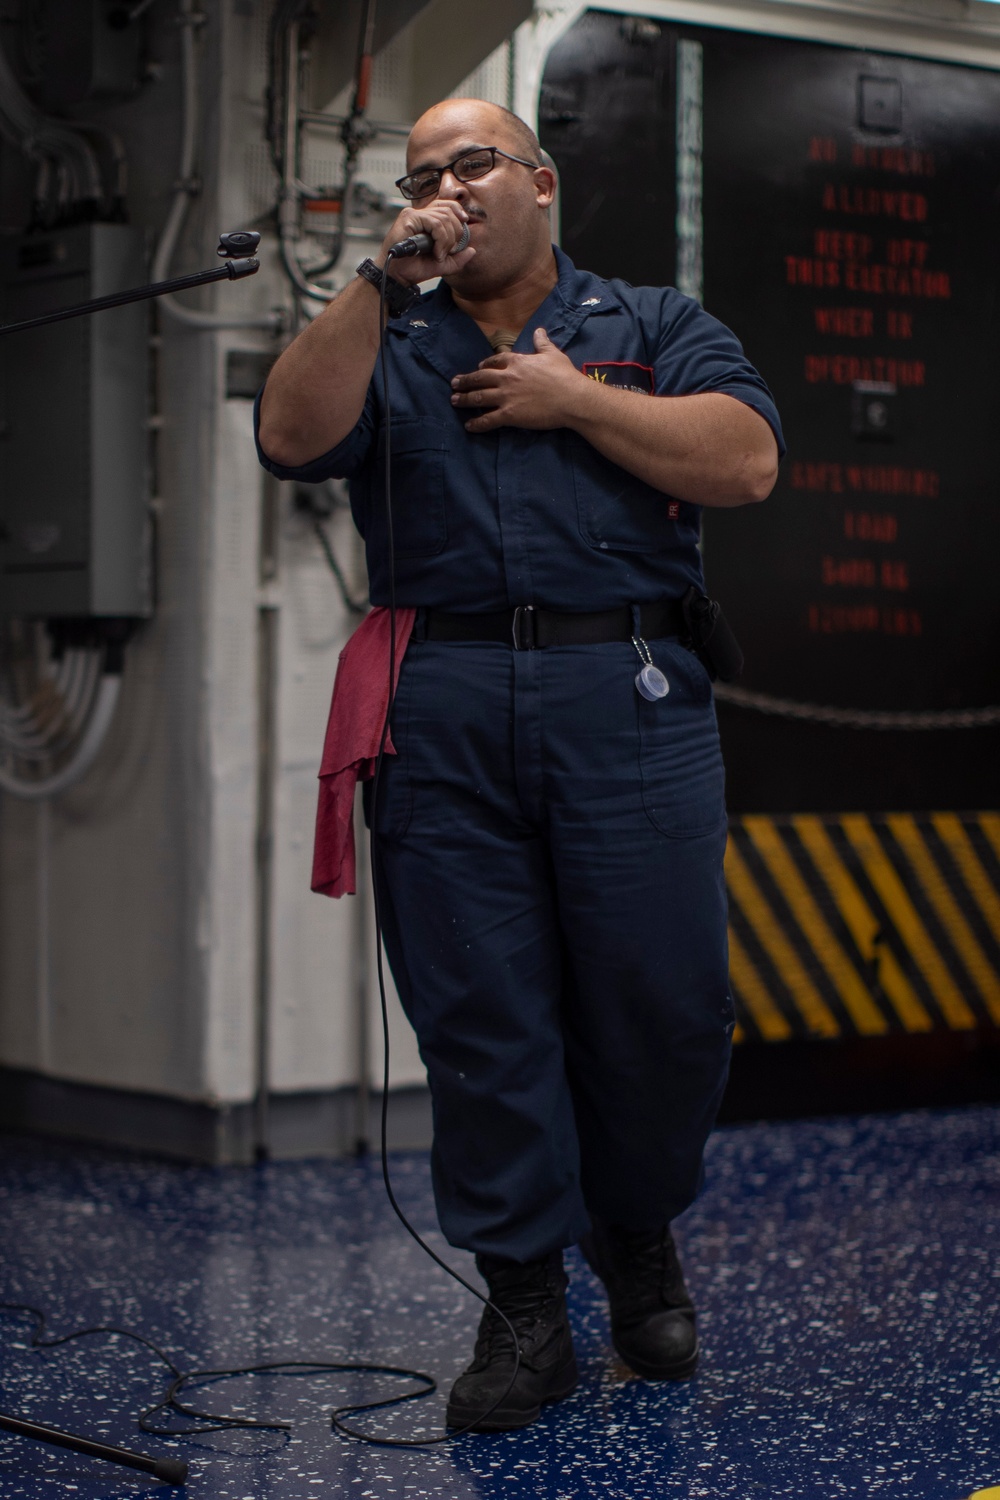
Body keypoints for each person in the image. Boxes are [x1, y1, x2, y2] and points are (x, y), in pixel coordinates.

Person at [256, 97, 783, 1432]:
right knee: (483, 1016)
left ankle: (637, 1232)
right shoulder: (392, 331)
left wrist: (571, 398)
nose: (446, 186)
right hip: (448, 700)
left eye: (471, 163)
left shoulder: (655, 326)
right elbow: (290, 438)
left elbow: (747, 461)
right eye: (425, 172)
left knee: (663, 1006)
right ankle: (525, 1302)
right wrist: (381, 274)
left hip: (633, 692)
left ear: (541, 183)